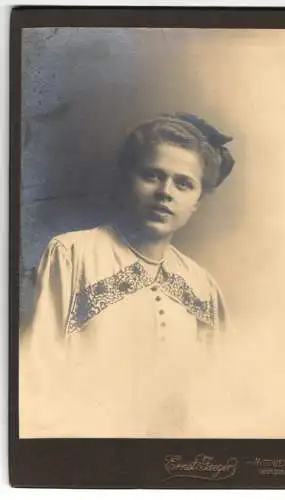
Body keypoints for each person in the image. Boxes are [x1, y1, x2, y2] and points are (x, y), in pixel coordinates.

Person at [19, 112, 235, 438]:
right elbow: (37, 373)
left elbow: (215, 395)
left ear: (197, 202)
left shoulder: (202, 286)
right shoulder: (72, 253)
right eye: (152, 175)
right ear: (126, 179)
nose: (166, 192)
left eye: (183, 183)